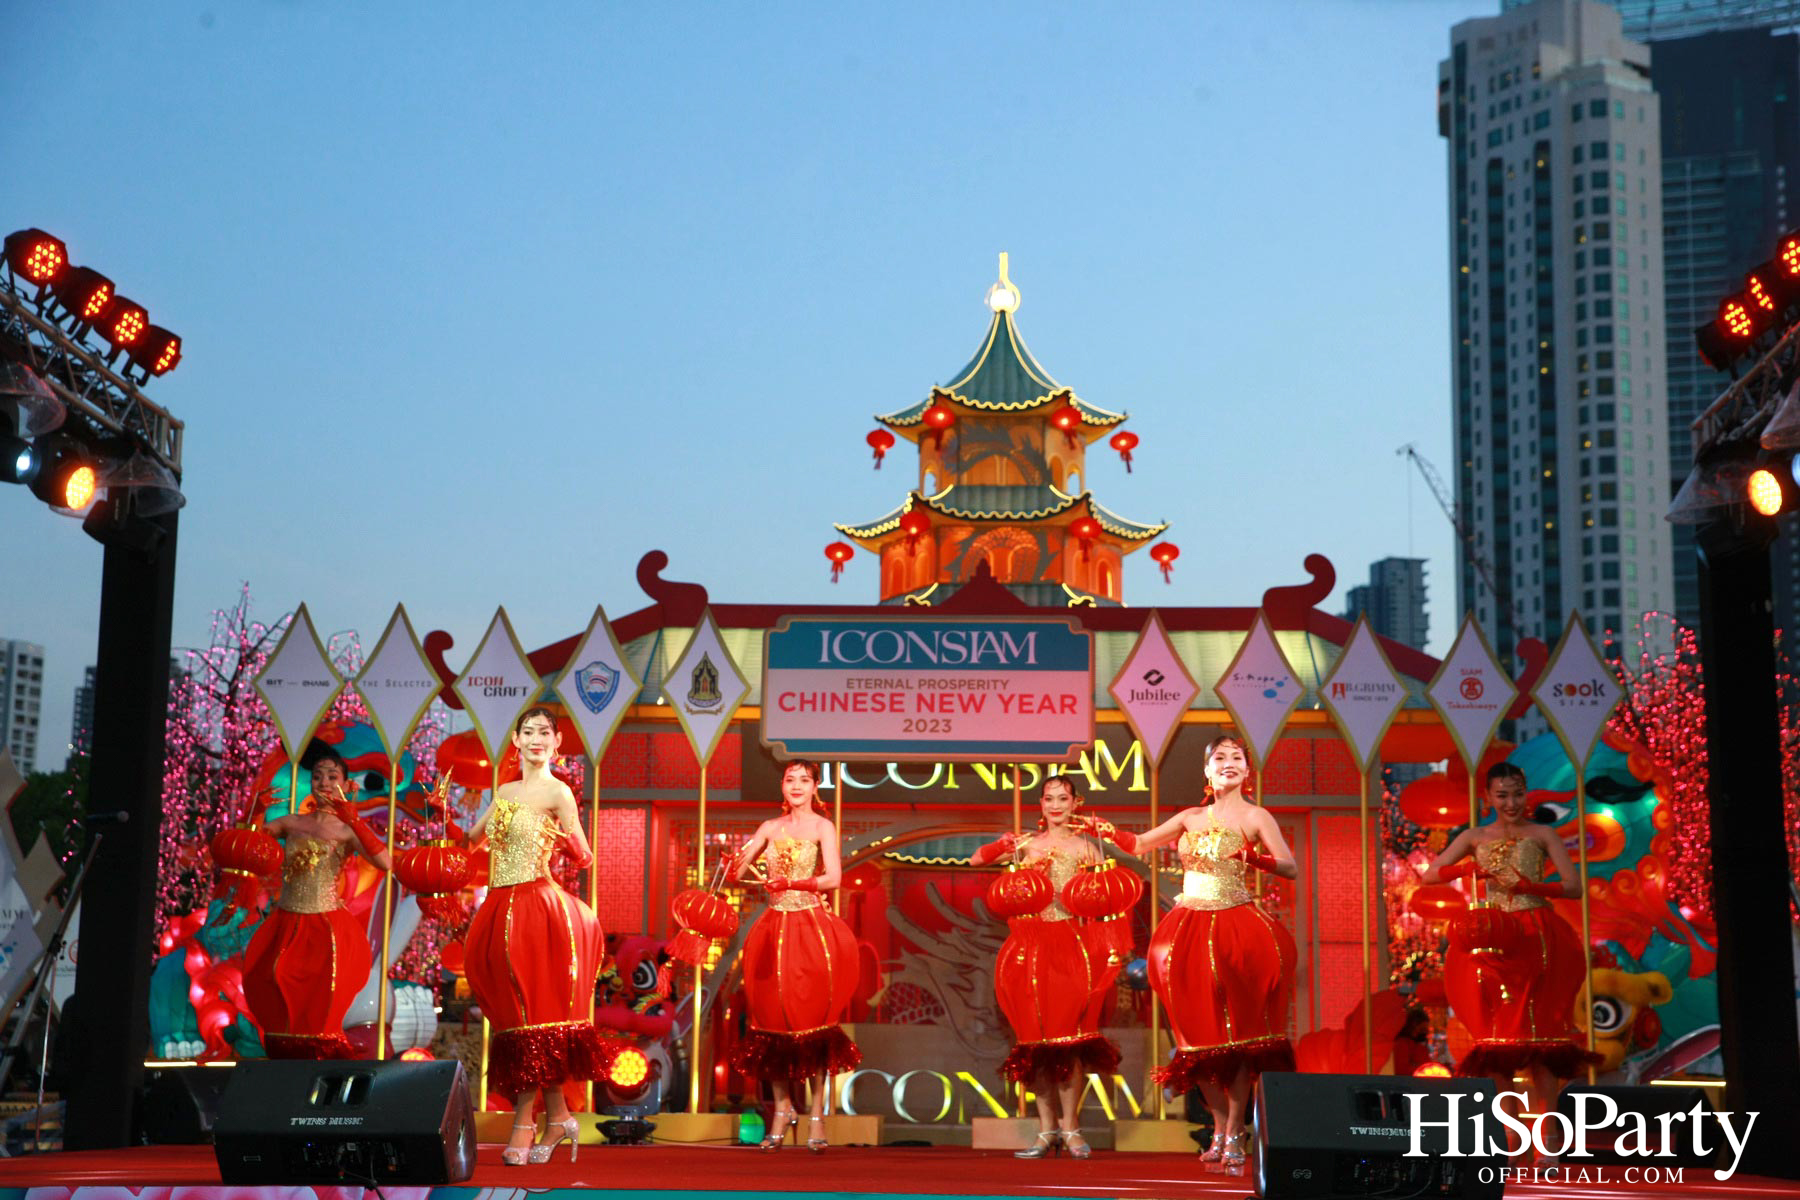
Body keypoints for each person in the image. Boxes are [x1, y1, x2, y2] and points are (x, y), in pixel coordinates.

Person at [1125, 734, 1298, 1171]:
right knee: (1197, 1038)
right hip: (1187, 926)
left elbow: (1290, 866)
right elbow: (1138, 845)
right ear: (1207, 771)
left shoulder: (1256, 815)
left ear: (1246, 770)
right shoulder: (1189, 817)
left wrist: (1254, 860)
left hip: (1236, 926)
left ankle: (1237, 1127)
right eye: (1219, 757)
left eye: (1237, 757)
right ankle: (1220, 1125)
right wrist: (1097, 830)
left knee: (1238, 1035)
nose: (1228, 763)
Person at [1422, 762, 1596, 1153]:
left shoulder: (1543, 834)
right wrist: (1468, 868)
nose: (1512, 802)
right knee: (1498, 1043)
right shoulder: (1474, 835)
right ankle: (1511, 1136)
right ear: (1488, 797)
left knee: (1542, 1042)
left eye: (1517, 793)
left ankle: (1548, 1138)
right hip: (1494, 940)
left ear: (1526, 792)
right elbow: (1431, 875)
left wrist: (1529, 885)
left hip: (1538, 936)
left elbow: (1573, 887)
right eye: (1502, 795)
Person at [463, 706, 604, 1166]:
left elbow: (584, 855)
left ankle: (525, 1122)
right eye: (529, 731)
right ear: (517, 741)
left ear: (556, 743)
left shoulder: (559, 791)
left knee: (533, 1017)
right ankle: (560, 1117)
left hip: (538, 908)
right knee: (514, 1018)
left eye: (545, 732)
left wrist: (566, 842)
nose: (537, 738)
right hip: (499, 907)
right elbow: (472, 840)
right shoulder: (503, 792)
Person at [968, 775, 1124, 1160]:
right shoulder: (1025, 846)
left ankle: (1071, 1128)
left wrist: (1111, 950)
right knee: (1035, 1045)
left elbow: (1107, 901)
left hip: (1070, 947)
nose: (1056, 805)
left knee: (1068, 1042)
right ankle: (1045, 1130)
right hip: (1027, 949)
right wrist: (999, 846)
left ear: (1075, 803)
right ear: (1040, 803)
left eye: (1063, 798)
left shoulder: (1087, 849)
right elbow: (975, 860)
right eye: (1049, 798)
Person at [729, 759, 861, 1153]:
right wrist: (737, 862)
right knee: (770, 1022)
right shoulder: (770, 828)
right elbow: (738, 871)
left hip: (810, 929)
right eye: (791, 779)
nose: (797, 785)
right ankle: (783, 1108)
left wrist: (796, 882)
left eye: (805, 779)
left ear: (816, 786)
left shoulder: (823, 826)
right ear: (782, 787)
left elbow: (834, 877)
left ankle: (817, 1116)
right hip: (772, 929)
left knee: (812, 1024)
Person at [243, 742, 390, 1060]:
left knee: (323, 999)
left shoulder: (348, 831)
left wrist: (355, 819)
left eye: (332, 776)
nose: (324, 783)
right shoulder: (290, 823)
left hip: (326, 927)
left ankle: (320, 1070)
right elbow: (249, 846)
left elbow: (386, 862)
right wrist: (255, 810)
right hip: (286, 922)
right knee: (274, 983)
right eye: (318, 777)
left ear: (347, 784)